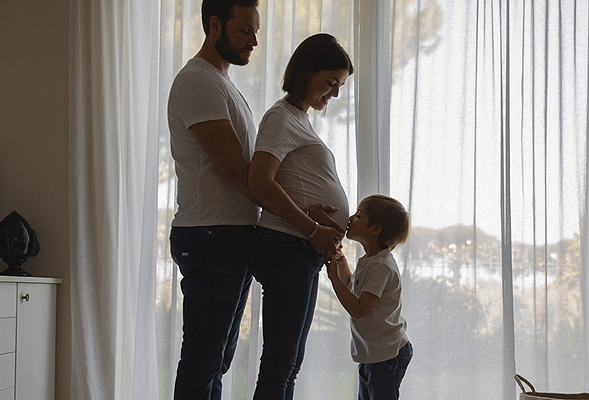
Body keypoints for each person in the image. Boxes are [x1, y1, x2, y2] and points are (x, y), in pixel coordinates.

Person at [247, 33, 353, 399]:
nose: (334, 94)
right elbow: (259, 181)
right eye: (330, 83)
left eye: (339, 86)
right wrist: (311, 228)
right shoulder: (281, 117)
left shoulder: (299, 120)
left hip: (300, 249)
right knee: (280, 363)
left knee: (289, 364)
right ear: (306, 72)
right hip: (286, 246)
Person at [166, 1, 262, 398]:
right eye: (244, 31)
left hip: (229, 236)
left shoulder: (223, 84)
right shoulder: (198, 82)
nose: (254, 41)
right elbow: (237, 171)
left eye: (255, 31)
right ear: (215, 25)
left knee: (216, 360)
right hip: (210, 237)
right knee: (204, 361)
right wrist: (300, 218)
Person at [325, 195, 413, 400]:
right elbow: (351, 286)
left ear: (375, 229)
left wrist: (332, 278)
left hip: (387, 353)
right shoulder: (370, 261)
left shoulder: (381, 266)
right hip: (374, 351)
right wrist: (340, 261)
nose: (350, 218)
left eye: (359, 215)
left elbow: (358, 309)